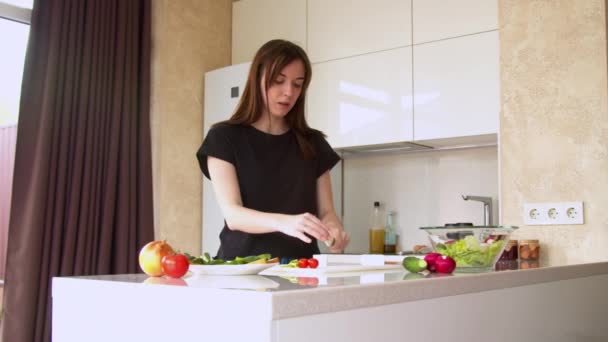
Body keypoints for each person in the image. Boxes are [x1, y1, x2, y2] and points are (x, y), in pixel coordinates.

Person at [197, 39, 349, 260]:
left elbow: (327, 212)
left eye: (297, 84)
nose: (288, 92)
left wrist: (334, 231)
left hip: (302, 268)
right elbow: (234, 215)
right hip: (242, 268)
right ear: (257, 79)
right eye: (279, 81)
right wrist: (285, 222)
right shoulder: (223, 138)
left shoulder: (313, 142)